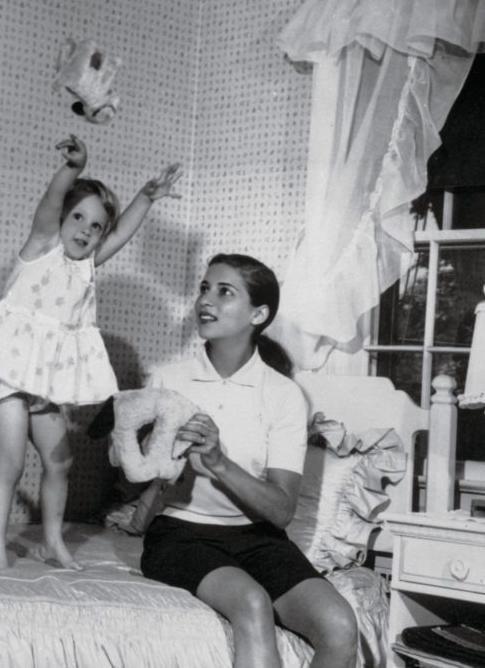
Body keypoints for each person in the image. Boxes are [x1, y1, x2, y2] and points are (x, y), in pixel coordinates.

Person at [0, 136, 181, 569]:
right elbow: (51, 199)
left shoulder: (86, 267)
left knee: (61, 461)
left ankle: (53, 542)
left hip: (43, 380)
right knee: (12, 463)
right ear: (61, 219)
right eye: (78, 218)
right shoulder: (42, 246)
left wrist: (146, 198)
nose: (86, 231)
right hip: (4, 373)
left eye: (96, 226)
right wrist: (72, 169)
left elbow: (124, 232)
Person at [140, 254, 358, 668]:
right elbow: (143, 476)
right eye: (205, 288)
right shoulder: (167, 379)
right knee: (252, 602)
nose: (206, 300)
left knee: (340, 625)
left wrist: (219, 462)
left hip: (259, 538)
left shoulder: (283, 395)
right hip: (181, 535)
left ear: (259, 313)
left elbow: (281, 510)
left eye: (224, 292)